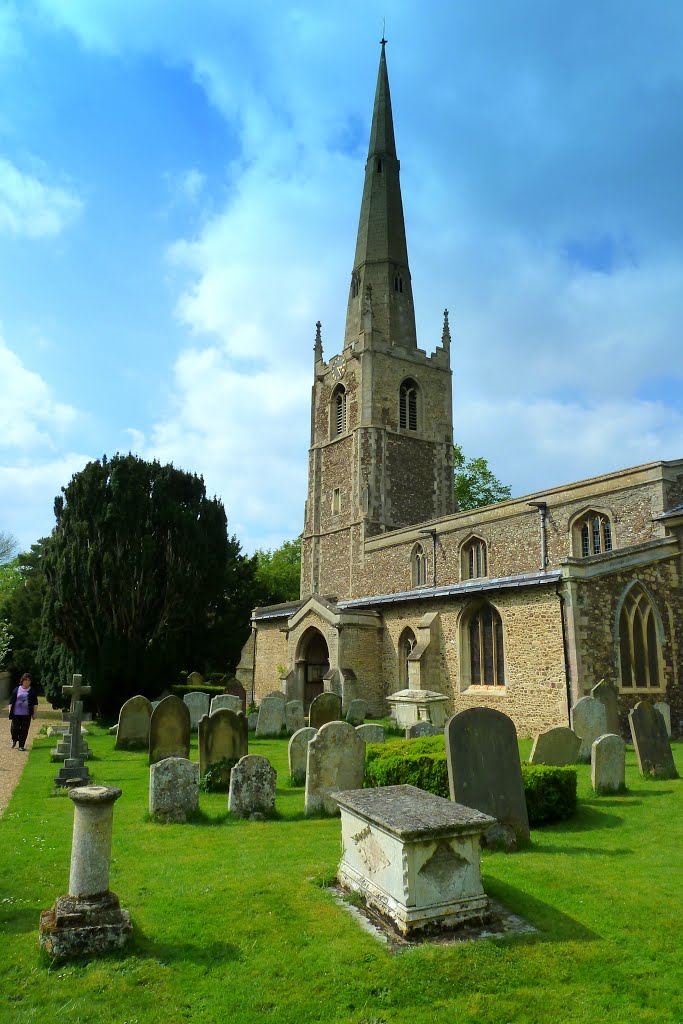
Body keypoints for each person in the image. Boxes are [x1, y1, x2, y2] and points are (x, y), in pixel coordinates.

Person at [9, 673, 38, 751]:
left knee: (24, 730)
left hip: (26, 714)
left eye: (29, 680)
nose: (27, 682)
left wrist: (34, 713)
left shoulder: (32, 691)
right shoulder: (16, 690)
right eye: (26, 680)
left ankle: (21, 745)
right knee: (14, 729)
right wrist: (10, 711)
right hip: (16, 713)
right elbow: (11, 702)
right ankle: (14, 740)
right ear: (22, 681)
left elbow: (35, 703)